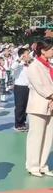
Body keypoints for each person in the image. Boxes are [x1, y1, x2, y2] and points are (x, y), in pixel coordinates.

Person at [25, 40, 53, 177]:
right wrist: (51, 96)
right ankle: (33, 165)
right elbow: (39, 85)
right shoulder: (34, 66)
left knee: (49, 136)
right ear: (42, 50)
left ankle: (43, 164)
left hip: (51, 105)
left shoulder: (50, 65)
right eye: (51, 49)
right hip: (39, 105)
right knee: (36, 136)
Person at [12, 48, 31, 131]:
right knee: (20, 106)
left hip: (28, 87)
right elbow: (12, 67)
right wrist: (20, 59)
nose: (29, 55)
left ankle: (23, 122)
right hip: (20, 87)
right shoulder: (18, 64)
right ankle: (18, 124)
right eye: (27, 54)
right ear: (22, 55)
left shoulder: (29, 64)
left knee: (26, 106)